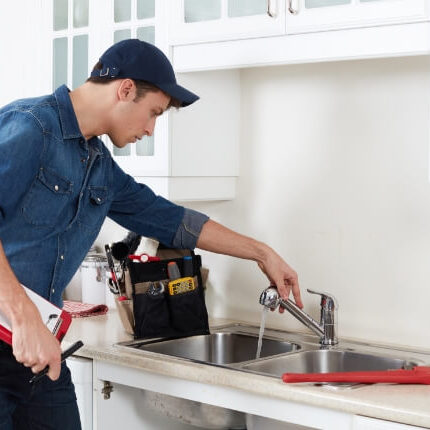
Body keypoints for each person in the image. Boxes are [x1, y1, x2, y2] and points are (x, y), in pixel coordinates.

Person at [0, 39, 302, 429]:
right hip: (19, 333)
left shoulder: (99, 168)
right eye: (153, 112)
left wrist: (262, 253)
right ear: (125, 89)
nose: (150, 129)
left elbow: (171, 220)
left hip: (39, 353)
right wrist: (23, 318)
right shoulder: (30, 127)